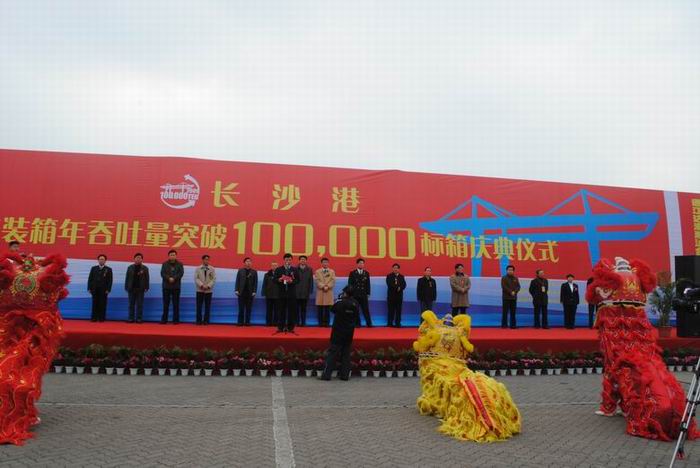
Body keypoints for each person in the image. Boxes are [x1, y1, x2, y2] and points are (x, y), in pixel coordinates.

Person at [413, 311, 521, 442]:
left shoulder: (436, 330)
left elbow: (421, 348)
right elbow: (467, 350)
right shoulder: (458, 332)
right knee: (469, 380)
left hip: (440, 365)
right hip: (455, 366)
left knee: (455, 384)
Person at [0, 252, 70, 445]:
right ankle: (19, 413)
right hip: (27, 337)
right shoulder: (44, 313)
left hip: (19, 336)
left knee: (18, 378)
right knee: (19, 378)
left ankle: (24, 410)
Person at [320, 285, 360, 381]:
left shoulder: (340, 303)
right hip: (349, 332)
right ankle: (345, 375)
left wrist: (339, 300)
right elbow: (356, 315)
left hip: (338, 332)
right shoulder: (356, 303)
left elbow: (332, 309)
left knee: (332, 353)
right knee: (346, 354)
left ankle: (326, 375)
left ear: (345, 293)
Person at [274, 253, 299, 332]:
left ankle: (290, 327)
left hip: (291, 293)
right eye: (286, 260)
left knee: (291, 311)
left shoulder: (294, 269)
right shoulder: (279, 269)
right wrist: (279, 279)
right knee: (281, 310)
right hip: (281, 293)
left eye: (289, 260)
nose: (288, 261)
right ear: (284, 260)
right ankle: (280, 327)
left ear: (291, 260)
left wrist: (292, 281)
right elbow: (274, 279)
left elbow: (298, 280)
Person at [160, 249, 184, 324]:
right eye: (171, 255)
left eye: (174, 255)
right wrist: (168, 278)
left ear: (176, 256)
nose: (172, 256)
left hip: (176, 287)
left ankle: (176, 320)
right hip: (166, 287)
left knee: (176, 304)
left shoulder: (180, 264)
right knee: (165, 304)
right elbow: (162, 273)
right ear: (168, 256)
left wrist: (174, 278)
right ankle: (164, 320)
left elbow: (181, 273)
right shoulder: (164, 264)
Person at [87, 254, 113, 322]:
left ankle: (101, 318)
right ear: (98, 260)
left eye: (103, 259)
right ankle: (94, 318)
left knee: (102, 304)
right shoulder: (93, 268)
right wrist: (89, 288)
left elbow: (110, 280)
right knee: (94, 303)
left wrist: (108, 289)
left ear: (105, 261)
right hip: (94, 289)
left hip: (104, 290)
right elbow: (90, 279)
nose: (101, 260)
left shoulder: (108, 269)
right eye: (100, 259)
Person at [125, 253, 149, 323]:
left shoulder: (145, 268)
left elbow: (147, 278)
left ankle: (139, 319)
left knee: (140, 304)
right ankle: (130, 318)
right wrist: (126, 286)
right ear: (134, 259)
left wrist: (147, 287)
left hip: (140, 289)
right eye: (137, 258)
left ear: (142, 259)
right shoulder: (130, 267)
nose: (138, 259)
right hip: (131, 288)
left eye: (140, 258)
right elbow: (127, 278)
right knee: (131, 304)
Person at [348, 258, 372, 327]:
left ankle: (369, 323)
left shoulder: (366, 273)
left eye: (362, 263)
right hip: (355, 294)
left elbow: (368, 284)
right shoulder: (352, 273)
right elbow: (350, 284)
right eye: (360, 263)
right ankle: (357, 323)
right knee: (355, 309)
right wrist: (350, 294)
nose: (361, 264)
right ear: (357, 264)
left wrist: (368, 293)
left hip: (363, 294)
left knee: (365, 309)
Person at [235, 257, 257, 326]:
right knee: (241, 308)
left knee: (248, 309)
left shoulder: (254, 272)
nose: (248, 263)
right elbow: (237, 281)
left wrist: (254, 291)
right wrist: (236, 290)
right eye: (247, 261)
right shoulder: (240, 271)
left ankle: (247, 322)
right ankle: (240, 322)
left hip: (250, 293)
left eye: (250, 261)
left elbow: (255, 283)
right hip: (241, 292)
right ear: (244, 263)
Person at [195, 254, 216, 325]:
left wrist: (208, 286)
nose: (207, 261)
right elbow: (196, 278)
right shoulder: (198, 268)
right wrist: (201, 285)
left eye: (208, 259)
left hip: (208, 290)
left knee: (207, 306)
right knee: (199, 306)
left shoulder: (212, 269)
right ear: (203, 260)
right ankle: (198, 321)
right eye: (205, 259)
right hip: (199, 290)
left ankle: (206, 321)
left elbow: (213, 279)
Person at [314, 257, 336, 327]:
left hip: (328, 291)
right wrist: (323, 286)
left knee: (327, 309)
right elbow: (317, 281)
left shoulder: (332, 271)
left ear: (328, 263)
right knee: (320, 309)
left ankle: (326, 323)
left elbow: (333, 280)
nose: (325, 263)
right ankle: (320, 323)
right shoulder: (317, 271)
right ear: (321, 263)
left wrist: (328, 286)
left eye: (326, 262)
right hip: (320, 291)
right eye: (324, 262)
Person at [296, 255, 314, 326]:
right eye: (301, 259)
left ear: (306, 261)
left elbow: (311, 281)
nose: (303, 260)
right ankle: (297, 322)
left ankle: (303, 323)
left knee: (304, 309)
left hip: (305, 292)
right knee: (296, 309)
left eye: (304, 259)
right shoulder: (295, 269)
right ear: (299, 261)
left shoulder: (309, 269)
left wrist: (310, 290)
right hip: (296, 292)